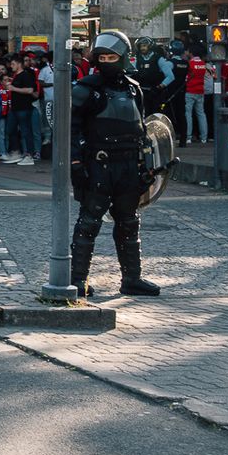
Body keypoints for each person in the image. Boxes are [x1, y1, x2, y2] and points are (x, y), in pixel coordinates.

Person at [70, 30, 162, 299]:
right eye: (103, 58)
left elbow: (143, 130)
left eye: (112, 57)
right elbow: (71, 130)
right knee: (89, 223)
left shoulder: (134, 89)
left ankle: (132, 279)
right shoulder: (85, 89)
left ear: (123, 58)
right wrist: (76, 163)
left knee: (129, 222)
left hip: (128, 165)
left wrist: (146, 165)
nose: (107, 62)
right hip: (99, 164)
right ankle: (77, 279)